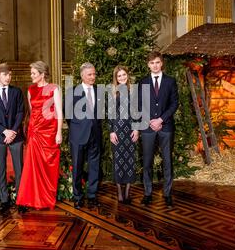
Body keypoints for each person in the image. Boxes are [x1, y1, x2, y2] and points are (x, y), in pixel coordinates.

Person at [15, 61, 63, 210]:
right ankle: (32, 199)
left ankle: (46, 198)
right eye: (31, 73)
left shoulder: (54, 88)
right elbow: (32, 112)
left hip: (50, 132)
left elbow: (59, 112)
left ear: (42, 74)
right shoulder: (30, 90)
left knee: (49, 165)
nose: (31, 76)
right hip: (35, 132)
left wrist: (59, 132)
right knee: (33, 167)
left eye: (34, 73)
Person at [138, 51, 178, 208]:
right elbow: (140, 105)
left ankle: (167, 194)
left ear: (161, 63)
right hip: (147, 128)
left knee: (167, 161)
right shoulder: (142, 82)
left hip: (165, 126)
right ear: (148, 65)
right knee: (147, 161)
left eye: (157, 62)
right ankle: (147, 193)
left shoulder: (170, 82)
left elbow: (174, 103)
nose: (155, 65)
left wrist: (161, 119)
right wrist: (150, 121)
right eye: (151, 63)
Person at [0, 63, 24, 215]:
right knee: (1, 168)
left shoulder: (17, 92)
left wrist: (13, 131)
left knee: (19, 168)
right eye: (5, 74)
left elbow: (21, 112)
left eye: (10, 74)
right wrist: (4, 131)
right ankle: (4, 200)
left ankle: (21, 200)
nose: (8, 77)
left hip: (16, 136)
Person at [65, 62, 102, 209]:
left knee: (94, 166)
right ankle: (78, 196)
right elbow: (68, 114)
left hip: (95, 135)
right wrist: (77, 127)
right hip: (78, 135)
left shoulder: (99, 91)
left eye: (94, 74)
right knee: (77, 166)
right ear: (82, 76)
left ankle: (92, 195)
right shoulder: (72, 91)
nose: (93, 77)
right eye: (90, 74)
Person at [108, 66, 139, 204]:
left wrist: (137, 129)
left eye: (124, 75)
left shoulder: (134, 91)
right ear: (116, 78)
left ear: (127, 75)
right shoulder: (112, 92)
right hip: (118, 130)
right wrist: (111, 131)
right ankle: (119, 191)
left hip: (131, 129)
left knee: (130, 161)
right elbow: (109, 114)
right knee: (118, 161)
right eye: (119, 76)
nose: (122, 77)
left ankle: (128, 190)